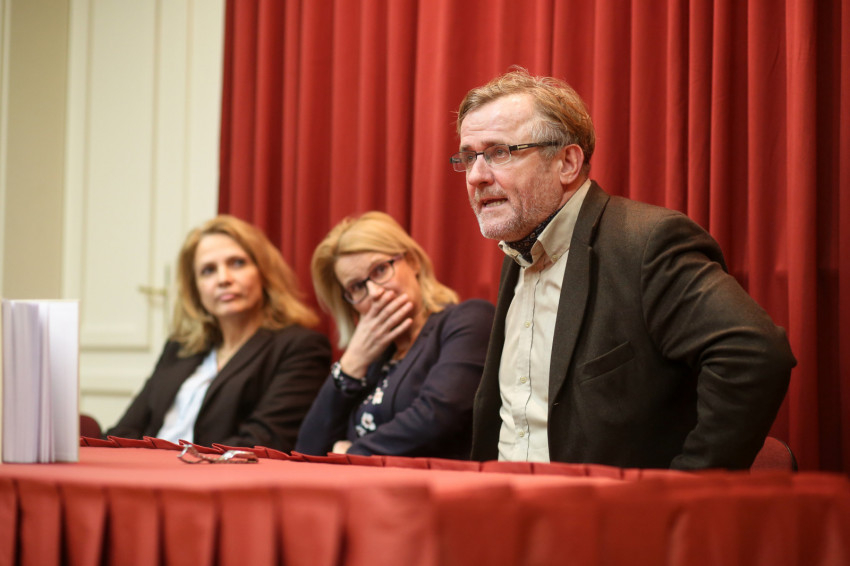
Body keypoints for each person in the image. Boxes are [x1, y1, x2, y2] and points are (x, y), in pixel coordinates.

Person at [452, 68, 796, 469]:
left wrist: (687, 487)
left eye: (499, 153)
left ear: (567, 162)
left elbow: (754, 353)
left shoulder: (646, 243)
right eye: (468, 157)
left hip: (606, 508)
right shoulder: (518, 251)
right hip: (502, 498)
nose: (476, 176)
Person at [107, 215, 331, 451]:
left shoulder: (300, 347)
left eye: (237, 263)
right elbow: (125, 430)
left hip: (213, 472)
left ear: (264, 273)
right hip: (147, 468)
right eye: (208, 270)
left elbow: (261, 443)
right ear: (195, 289)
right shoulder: (180, 347)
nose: (224, 279)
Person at [295, 211, 494, 458]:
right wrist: (351, 364)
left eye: (380, 270)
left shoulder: (468, 319)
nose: (375, 292)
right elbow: (307, 450)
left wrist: (353, 454)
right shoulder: (370, 361)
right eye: (357, 286)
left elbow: (438, 415)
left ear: (413, 262)